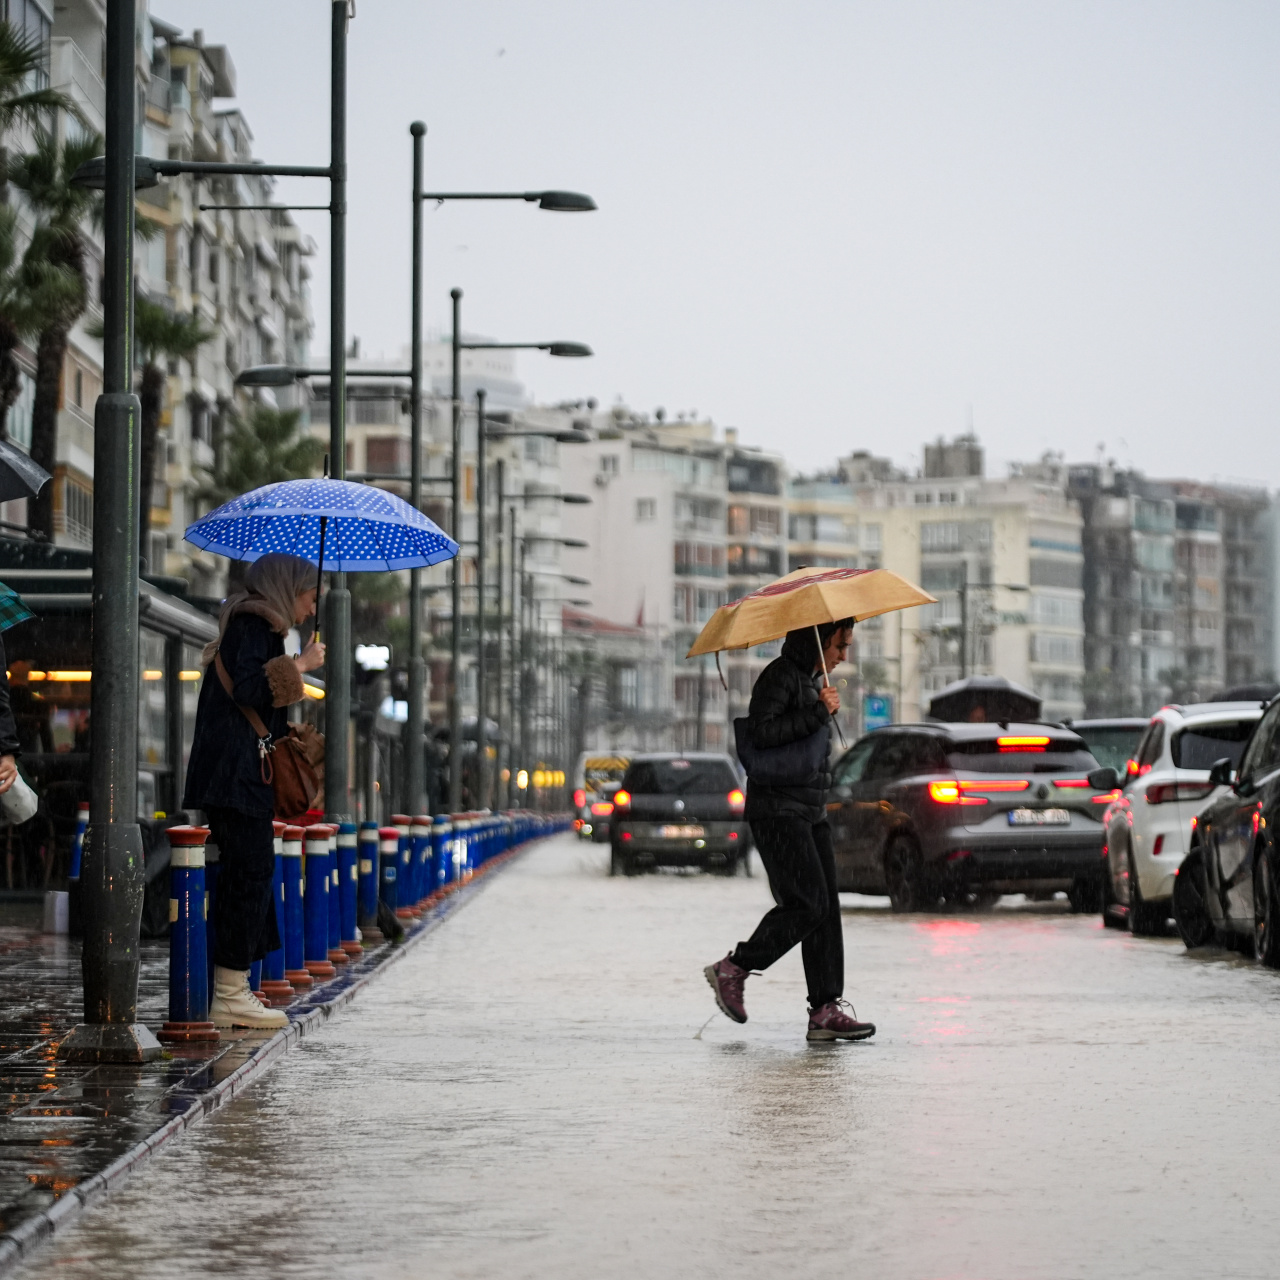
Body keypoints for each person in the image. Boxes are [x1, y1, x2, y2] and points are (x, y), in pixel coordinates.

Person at [705, 619, 876, 1042]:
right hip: (778, 811)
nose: (843, 655)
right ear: (819, 640)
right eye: (841, 644)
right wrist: (818, 711)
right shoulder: (779, 678)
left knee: (826, 909)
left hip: (809, 809)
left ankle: (824, 1010)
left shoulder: (810, 680)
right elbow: (762, 735)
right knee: (807, 904)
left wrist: (821, 707)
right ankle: (734, 968)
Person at [184, 554, 325, 1029]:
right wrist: (300, 664)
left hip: (239, 771)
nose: (310, 609)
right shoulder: (252, 622)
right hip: (234, 773)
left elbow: (260, 697)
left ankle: (235, 985)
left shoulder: (263, 627)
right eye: (309, 597)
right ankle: (229, 992)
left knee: (252, 870)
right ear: (289, 588)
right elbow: (249, 689)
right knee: (249, 873)